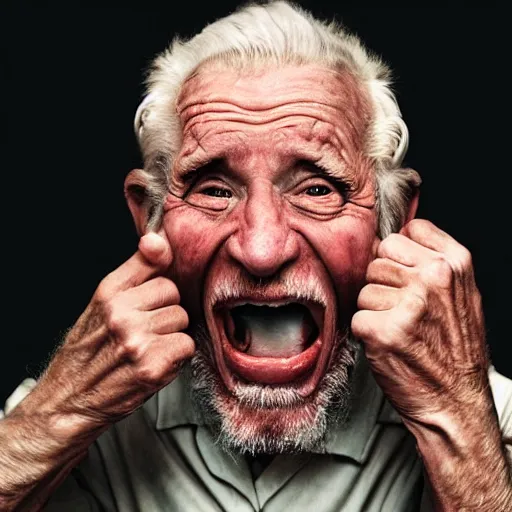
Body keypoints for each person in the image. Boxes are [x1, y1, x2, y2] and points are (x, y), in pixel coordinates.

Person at [1, 2, 511, 510]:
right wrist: (60, 414)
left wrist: (456, 416)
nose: (262, 250)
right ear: (148, 217)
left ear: (393, 221)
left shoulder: (489, 421)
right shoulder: (80, 420)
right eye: (214, 190)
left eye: (317, 189)